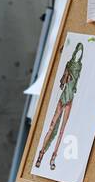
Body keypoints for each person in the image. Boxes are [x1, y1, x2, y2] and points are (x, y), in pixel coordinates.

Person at [35, 41, 84, 171]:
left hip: (70, 99)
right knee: (52, 127)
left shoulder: (80, 66)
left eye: (80, 53)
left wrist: (73, 85)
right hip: (63, 99)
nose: (78, 56)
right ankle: (41, 154)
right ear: (74, 53)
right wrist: (66, 77)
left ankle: (53, 158)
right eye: (77, 53)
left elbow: (77, 82)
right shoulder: (68, 64)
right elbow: (61, 81)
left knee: (62, 131)